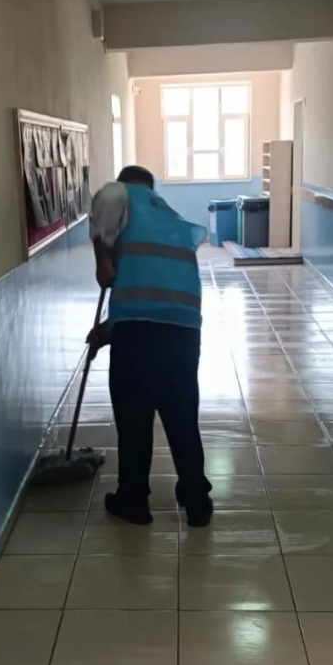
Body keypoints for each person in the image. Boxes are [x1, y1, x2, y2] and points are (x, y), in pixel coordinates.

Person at [87, 165, 213, 527]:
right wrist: (109, 329)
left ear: (127, 183)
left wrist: (102, 260)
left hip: (138, 334)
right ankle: (196, 502)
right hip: (183, 332)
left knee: (134, 417)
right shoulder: (167, 218)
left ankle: (133, 500)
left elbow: (108, 197)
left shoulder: (119, 193)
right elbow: (155, 291)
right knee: (181, 416)